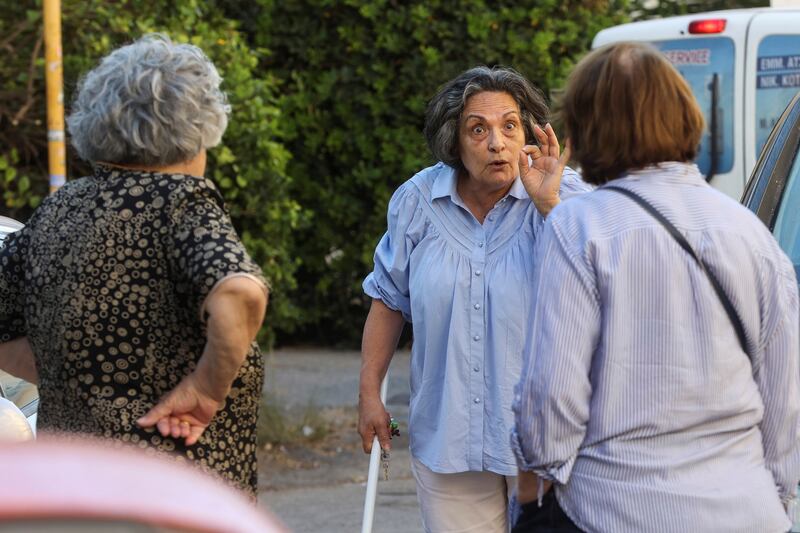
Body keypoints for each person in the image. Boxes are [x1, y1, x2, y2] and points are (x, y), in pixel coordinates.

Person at [511, 42, 800, 532]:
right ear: (684, 114)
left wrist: (537, 478)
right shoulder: (752, 234)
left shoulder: (579, 226)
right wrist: (769, 495)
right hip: (745, 511)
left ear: (588, 125)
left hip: (613, 508)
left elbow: (552, 397)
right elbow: (785, 400)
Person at [0, 34, 268, 497]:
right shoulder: (183, 204)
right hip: (173, 494)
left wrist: (73, 373)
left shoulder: (60, 209)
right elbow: (238, 294)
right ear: (200, 128)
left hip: (75, 487)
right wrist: (205, 390)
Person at [358, 65, 589, 532]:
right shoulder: (416, 203)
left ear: (529, 133)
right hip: (449, 438)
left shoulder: (569, 198)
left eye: (509, 126)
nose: (496, 143)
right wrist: (368, 392)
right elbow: (388, 298)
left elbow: (601, 289)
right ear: (454, 143)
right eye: (477, 129)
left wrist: (549, 208)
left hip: (548, 444)